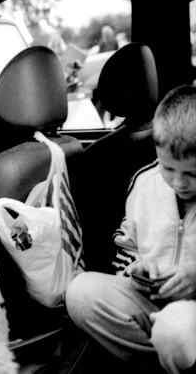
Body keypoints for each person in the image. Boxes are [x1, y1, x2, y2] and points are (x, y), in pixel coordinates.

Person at [65, 83, 196, 373]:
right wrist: (135, 270)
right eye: (168, 168)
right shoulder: (145, 183)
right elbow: (127, 249)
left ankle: (174, 348)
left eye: (192, 173)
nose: (178, 182)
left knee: (176, 328)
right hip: (155, 306)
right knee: (80, 291)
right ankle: (168, 359)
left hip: (189, 319)